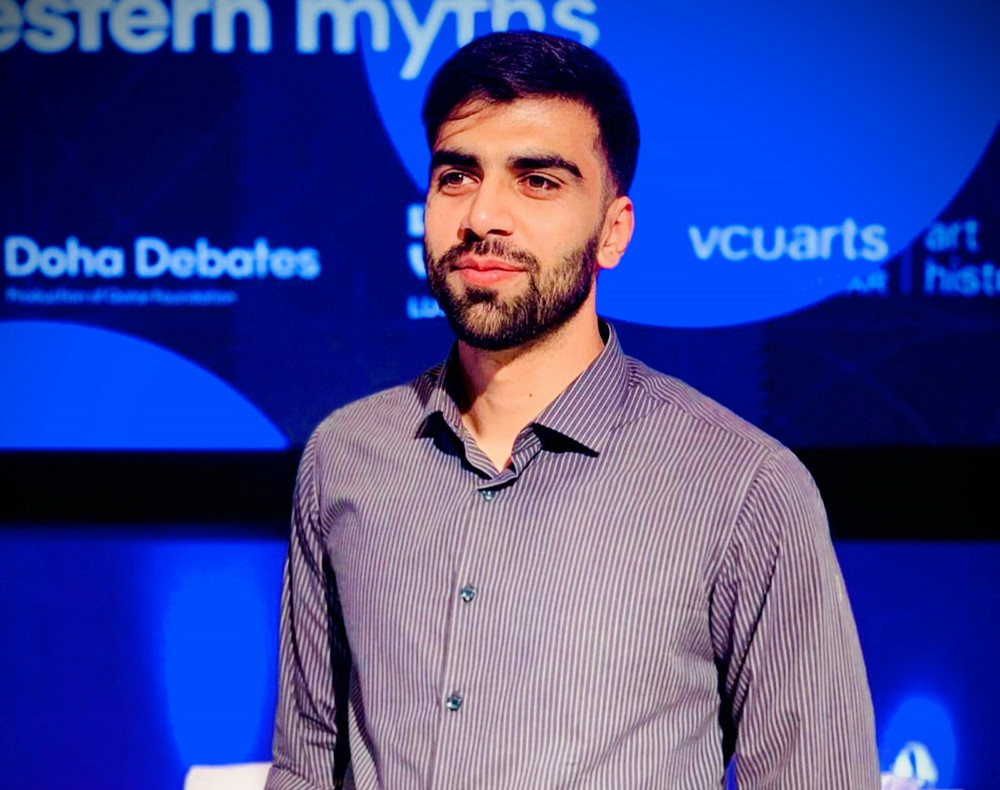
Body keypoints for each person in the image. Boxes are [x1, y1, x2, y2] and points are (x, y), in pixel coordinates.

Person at [265, 30, 880, 790]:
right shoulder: (345, 456)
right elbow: (306, 763)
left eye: (539, 182)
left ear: (613, 230)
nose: (484, 216)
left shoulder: (744, 487)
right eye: (457, 176)